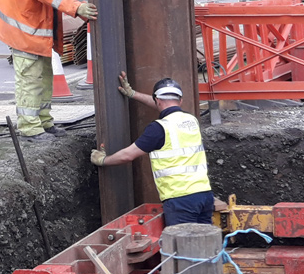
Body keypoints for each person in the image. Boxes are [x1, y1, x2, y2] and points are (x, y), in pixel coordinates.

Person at [90, 75, 215, 226]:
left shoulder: (159, 128)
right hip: (204, 195)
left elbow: (128, 155)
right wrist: (133, 94)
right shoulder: (191, 120)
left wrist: (103, 160)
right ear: (180, 100)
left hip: (180, 199)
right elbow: (166, 106)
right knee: (206, 238)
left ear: (157, 100)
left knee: (182, 240)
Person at [0, 0, 97, 140]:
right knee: (30, 80)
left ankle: (44, 121)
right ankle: (29, 127)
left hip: (33, 26)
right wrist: (77, 8)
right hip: (22, 29)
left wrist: (83, 9)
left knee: (45, 78)